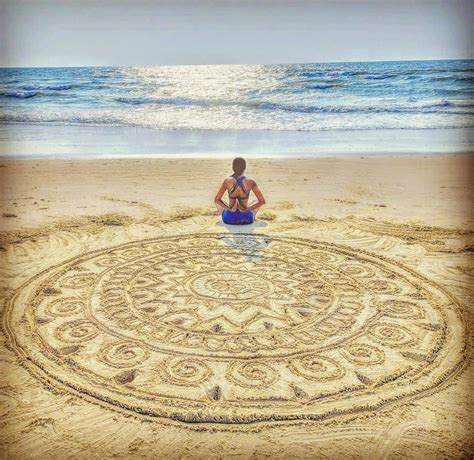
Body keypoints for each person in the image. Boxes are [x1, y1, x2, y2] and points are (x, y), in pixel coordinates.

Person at [214, 157, 265, 225]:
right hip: (246, 219)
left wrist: (229, 208)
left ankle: (227, 213)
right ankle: (253, 216)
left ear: (233, 167)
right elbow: (262, 201)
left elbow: (217, 200)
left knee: (220, 203)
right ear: (244, 167)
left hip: (229, 219)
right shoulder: (250, 181)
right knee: (255, 202)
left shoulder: (227, 181)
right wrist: (246, 209)